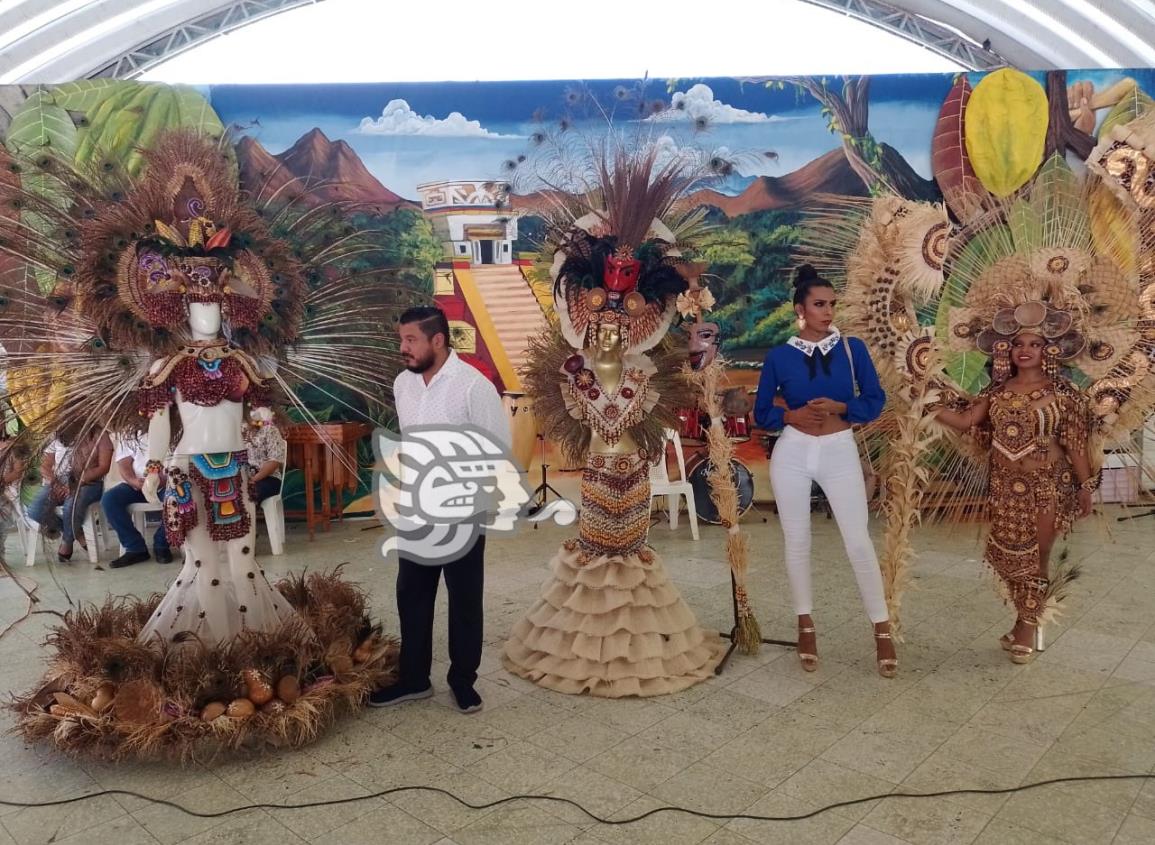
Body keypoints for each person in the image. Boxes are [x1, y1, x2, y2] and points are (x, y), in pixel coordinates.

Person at [502, 149, 722, 697]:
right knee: (598, 547)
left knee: (630, 550)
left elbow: (688, 377)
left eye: (616, 328)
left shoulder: (648, 373)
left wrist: (701, 345)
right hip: (599, 468)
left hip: (634, 466)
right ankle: (589, 642)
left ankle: (639, 646)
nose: (607, 335)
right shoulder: (572, 374)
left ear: (631, 330)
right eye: (598, 327)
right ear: (584, 324)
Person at [753, 265, 896, 677]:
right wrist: (790, 414)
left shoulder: (853, 349)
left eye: (832, 304)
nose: (828, 311)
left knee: (857, 542)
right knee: (797, 541)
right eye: (819, 305)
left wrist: (841, 409)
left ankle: (882, 629)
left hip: (838, 449)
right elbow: (764, 411)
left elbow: (874, 398)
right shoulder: (780, 357)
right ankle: (805, 624)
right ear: (800, 309)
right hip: (793, 453)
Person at [369, 306, 509, 714]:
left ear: (437, 340)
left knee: (465, 600)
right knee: (412, 594)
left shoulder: (472, 386)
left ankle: (463, 681)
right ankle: (414, 679)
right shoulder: (403, 384)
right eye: (401, 340)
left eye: (410, 340)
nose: (403, 348)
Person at [931, 321, 1095, 664]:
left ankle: (1026, 626)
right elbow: (966, 422)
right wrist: (923, 401)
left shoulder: (1064, 393)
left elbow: (1075, 444)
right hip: (1005, 487)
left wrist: (1086, 486)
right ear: (1007, 350)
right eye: (1019, 343)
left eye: (1035, 344)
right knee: (1007, 558)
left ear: (1048, 350)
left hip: (1048, 485)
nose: (1025, 349)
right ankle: (1023, 617)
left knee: (1038, 556)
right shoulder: (997, 391)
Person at [27, 423, 112, 562]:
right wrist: (56, 483)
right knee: (34, 510)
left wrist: (77, 482)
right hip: (58, 480)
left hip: (89, 481)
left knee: (71, 504)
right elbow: (45, 466)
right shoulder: (58, 433)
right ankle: (77, 533)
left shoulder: (99, 434)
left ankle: (67, 541)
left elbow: (104, 467)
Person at [104, 433, 173, 568]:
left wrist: (165, 479)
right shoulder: (131, 431)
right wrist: (133, 481)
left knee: (178, 499)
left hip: (167, 484)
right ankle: (135, 547)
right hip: (137, 485)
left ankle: (162, 544)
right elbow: (124, 463)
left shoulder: (175, 427)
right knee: (109, 499)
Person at [243, 406, 286, 505]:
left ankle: (248, 519)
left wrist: (253, 479)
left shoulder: (270, 430)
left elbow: (274, 461)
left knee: (249, 493)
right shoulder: (239, 430)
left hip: (267, 478)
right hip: (243, 478)